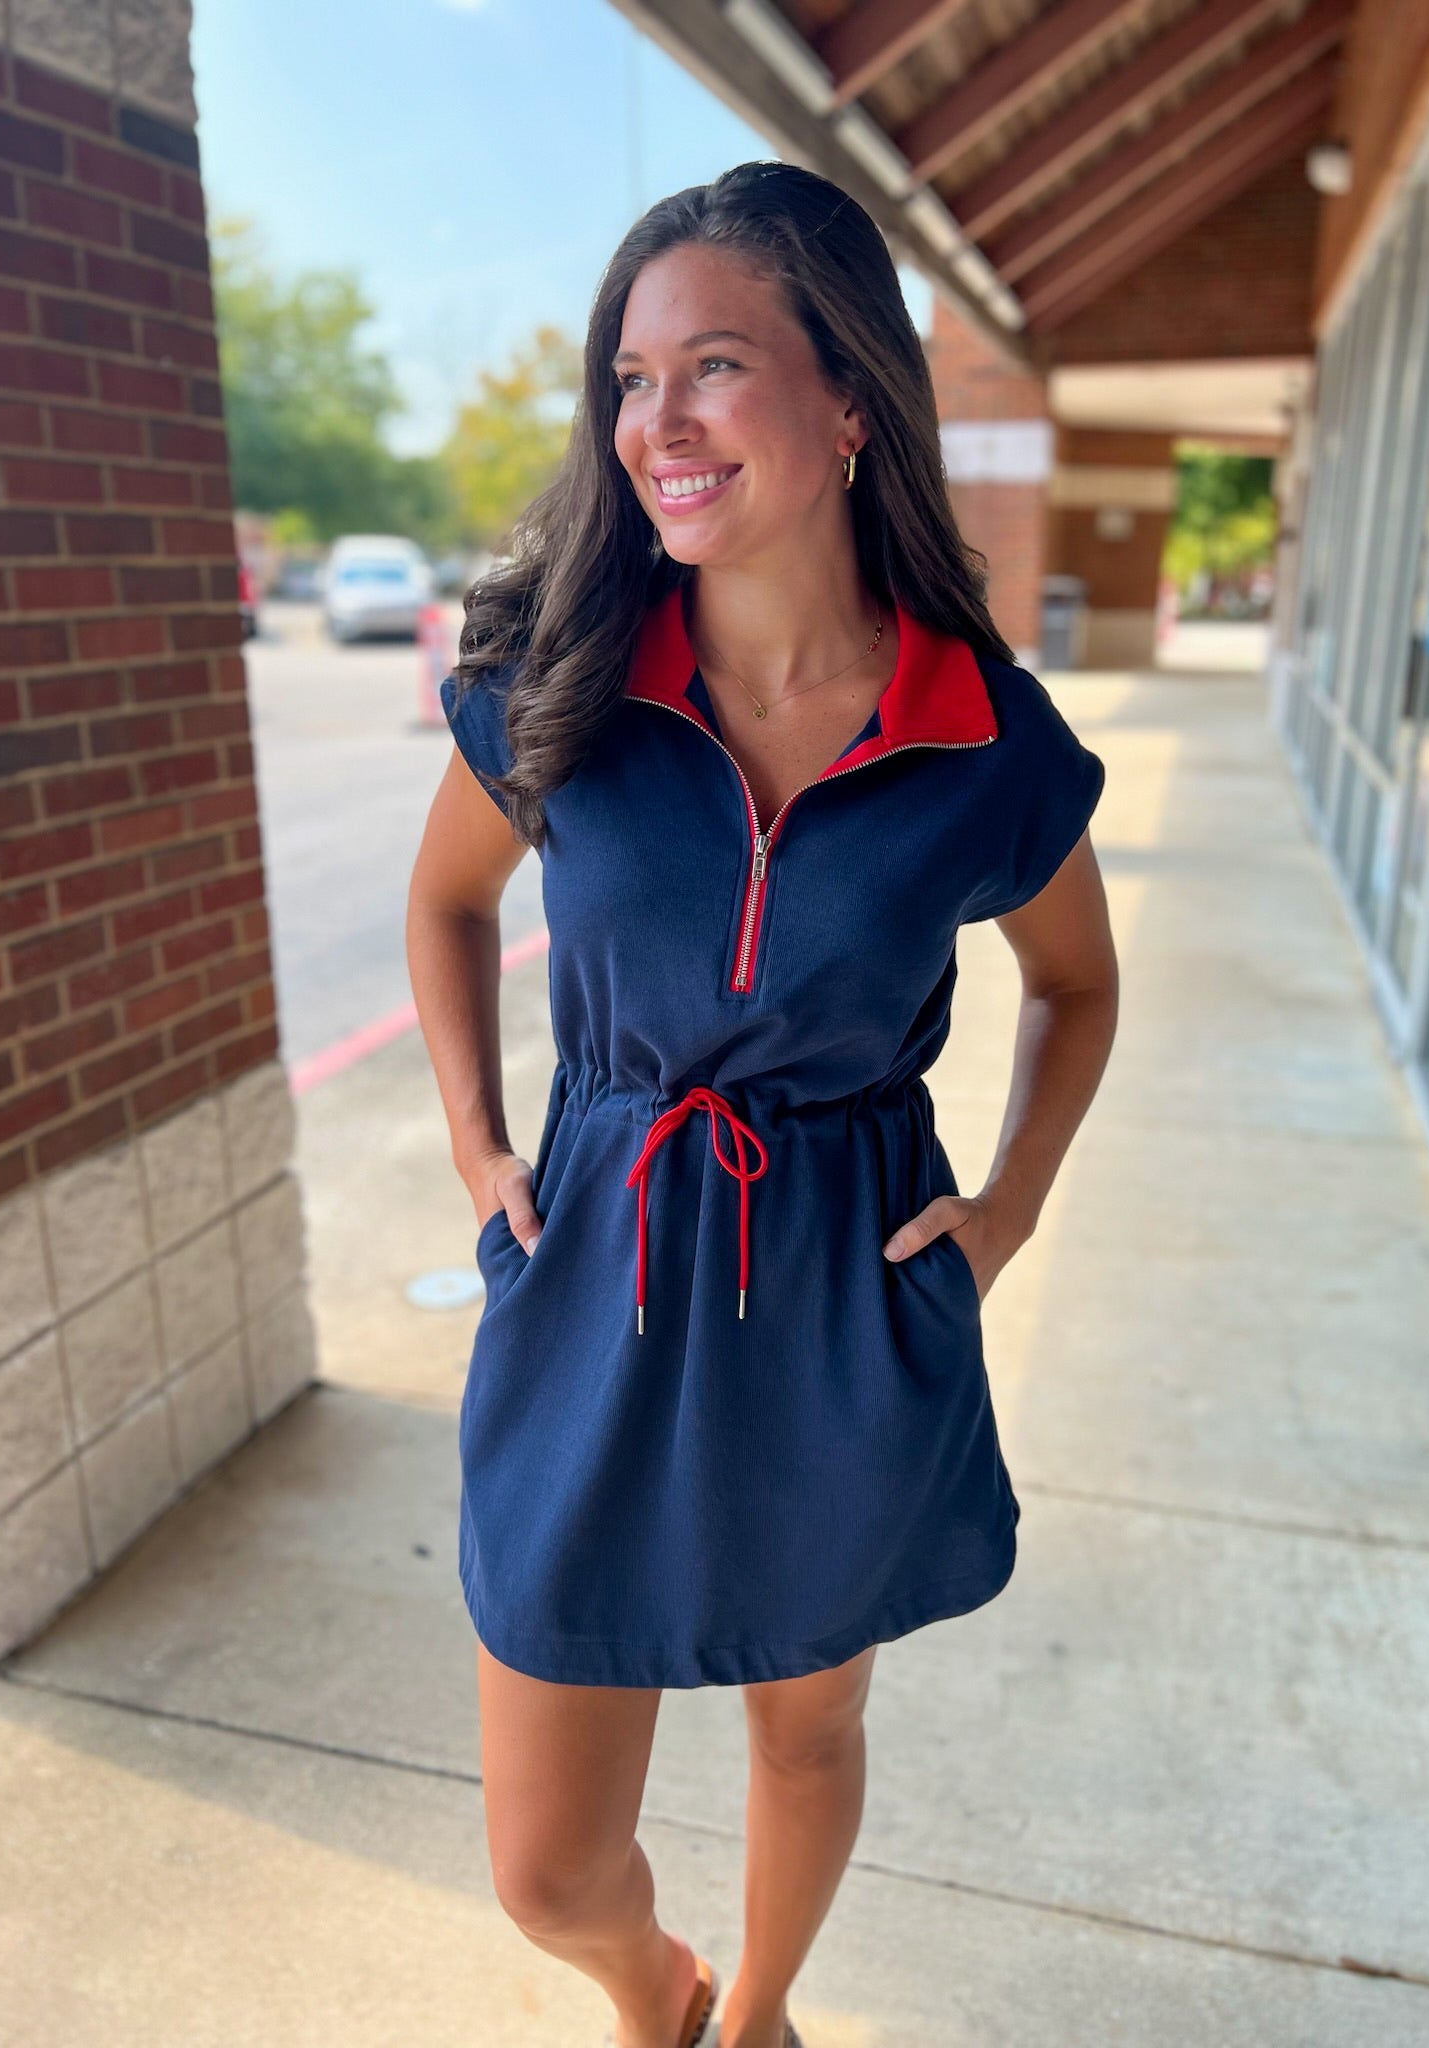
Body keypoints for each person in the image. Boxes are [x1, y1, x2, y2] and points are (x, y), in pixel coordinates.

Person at [406, 160, 1118, 2048]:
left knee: (808, 1729)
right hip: (597, 1266)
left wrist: (1009, 1205)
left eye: (713, 366)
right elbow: (447, 901)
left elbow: (1078, 982)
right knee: (549, 1866)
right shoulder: (564, 675)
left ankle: (759, 2020)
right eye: (631, 381)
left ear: (850, 396)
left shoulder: (981, 733)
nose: (658, 422)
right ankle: (658, 1986)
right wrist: (481, 1147)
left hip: (838, 1283)